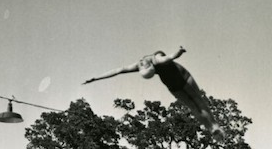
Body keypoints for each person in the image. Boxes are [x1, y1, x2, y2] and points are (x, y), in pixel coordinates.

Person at [87, 47, 225, 141]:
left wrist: (179, 51)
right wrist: (96, 78)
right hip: (174, 84)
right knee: (196, 104)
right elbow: (118, 70)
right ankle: (213, 128)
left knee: (196, 104)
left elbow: (170, 57)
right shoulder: (140, 65)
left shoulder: (157, 59)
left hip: (183, 78)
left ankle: (213, 126)